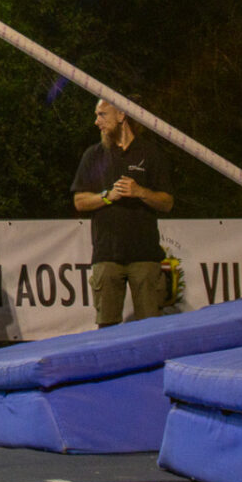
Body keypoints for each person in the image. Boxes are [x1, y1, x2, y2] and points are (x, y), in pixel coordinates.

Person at [73, 99, 174, 327]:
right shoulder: (94, 155)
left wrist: (140, 192)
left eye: (102, 115)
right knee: (107, 327)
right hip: (107, 255)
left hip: (145, 255)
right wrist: (107, 196)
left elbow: (167, 202)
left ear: (121, 115)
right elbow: (79, 201)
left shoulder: (150, 153)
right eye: (96, 115)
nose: (96, 121)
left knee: (151, 326)